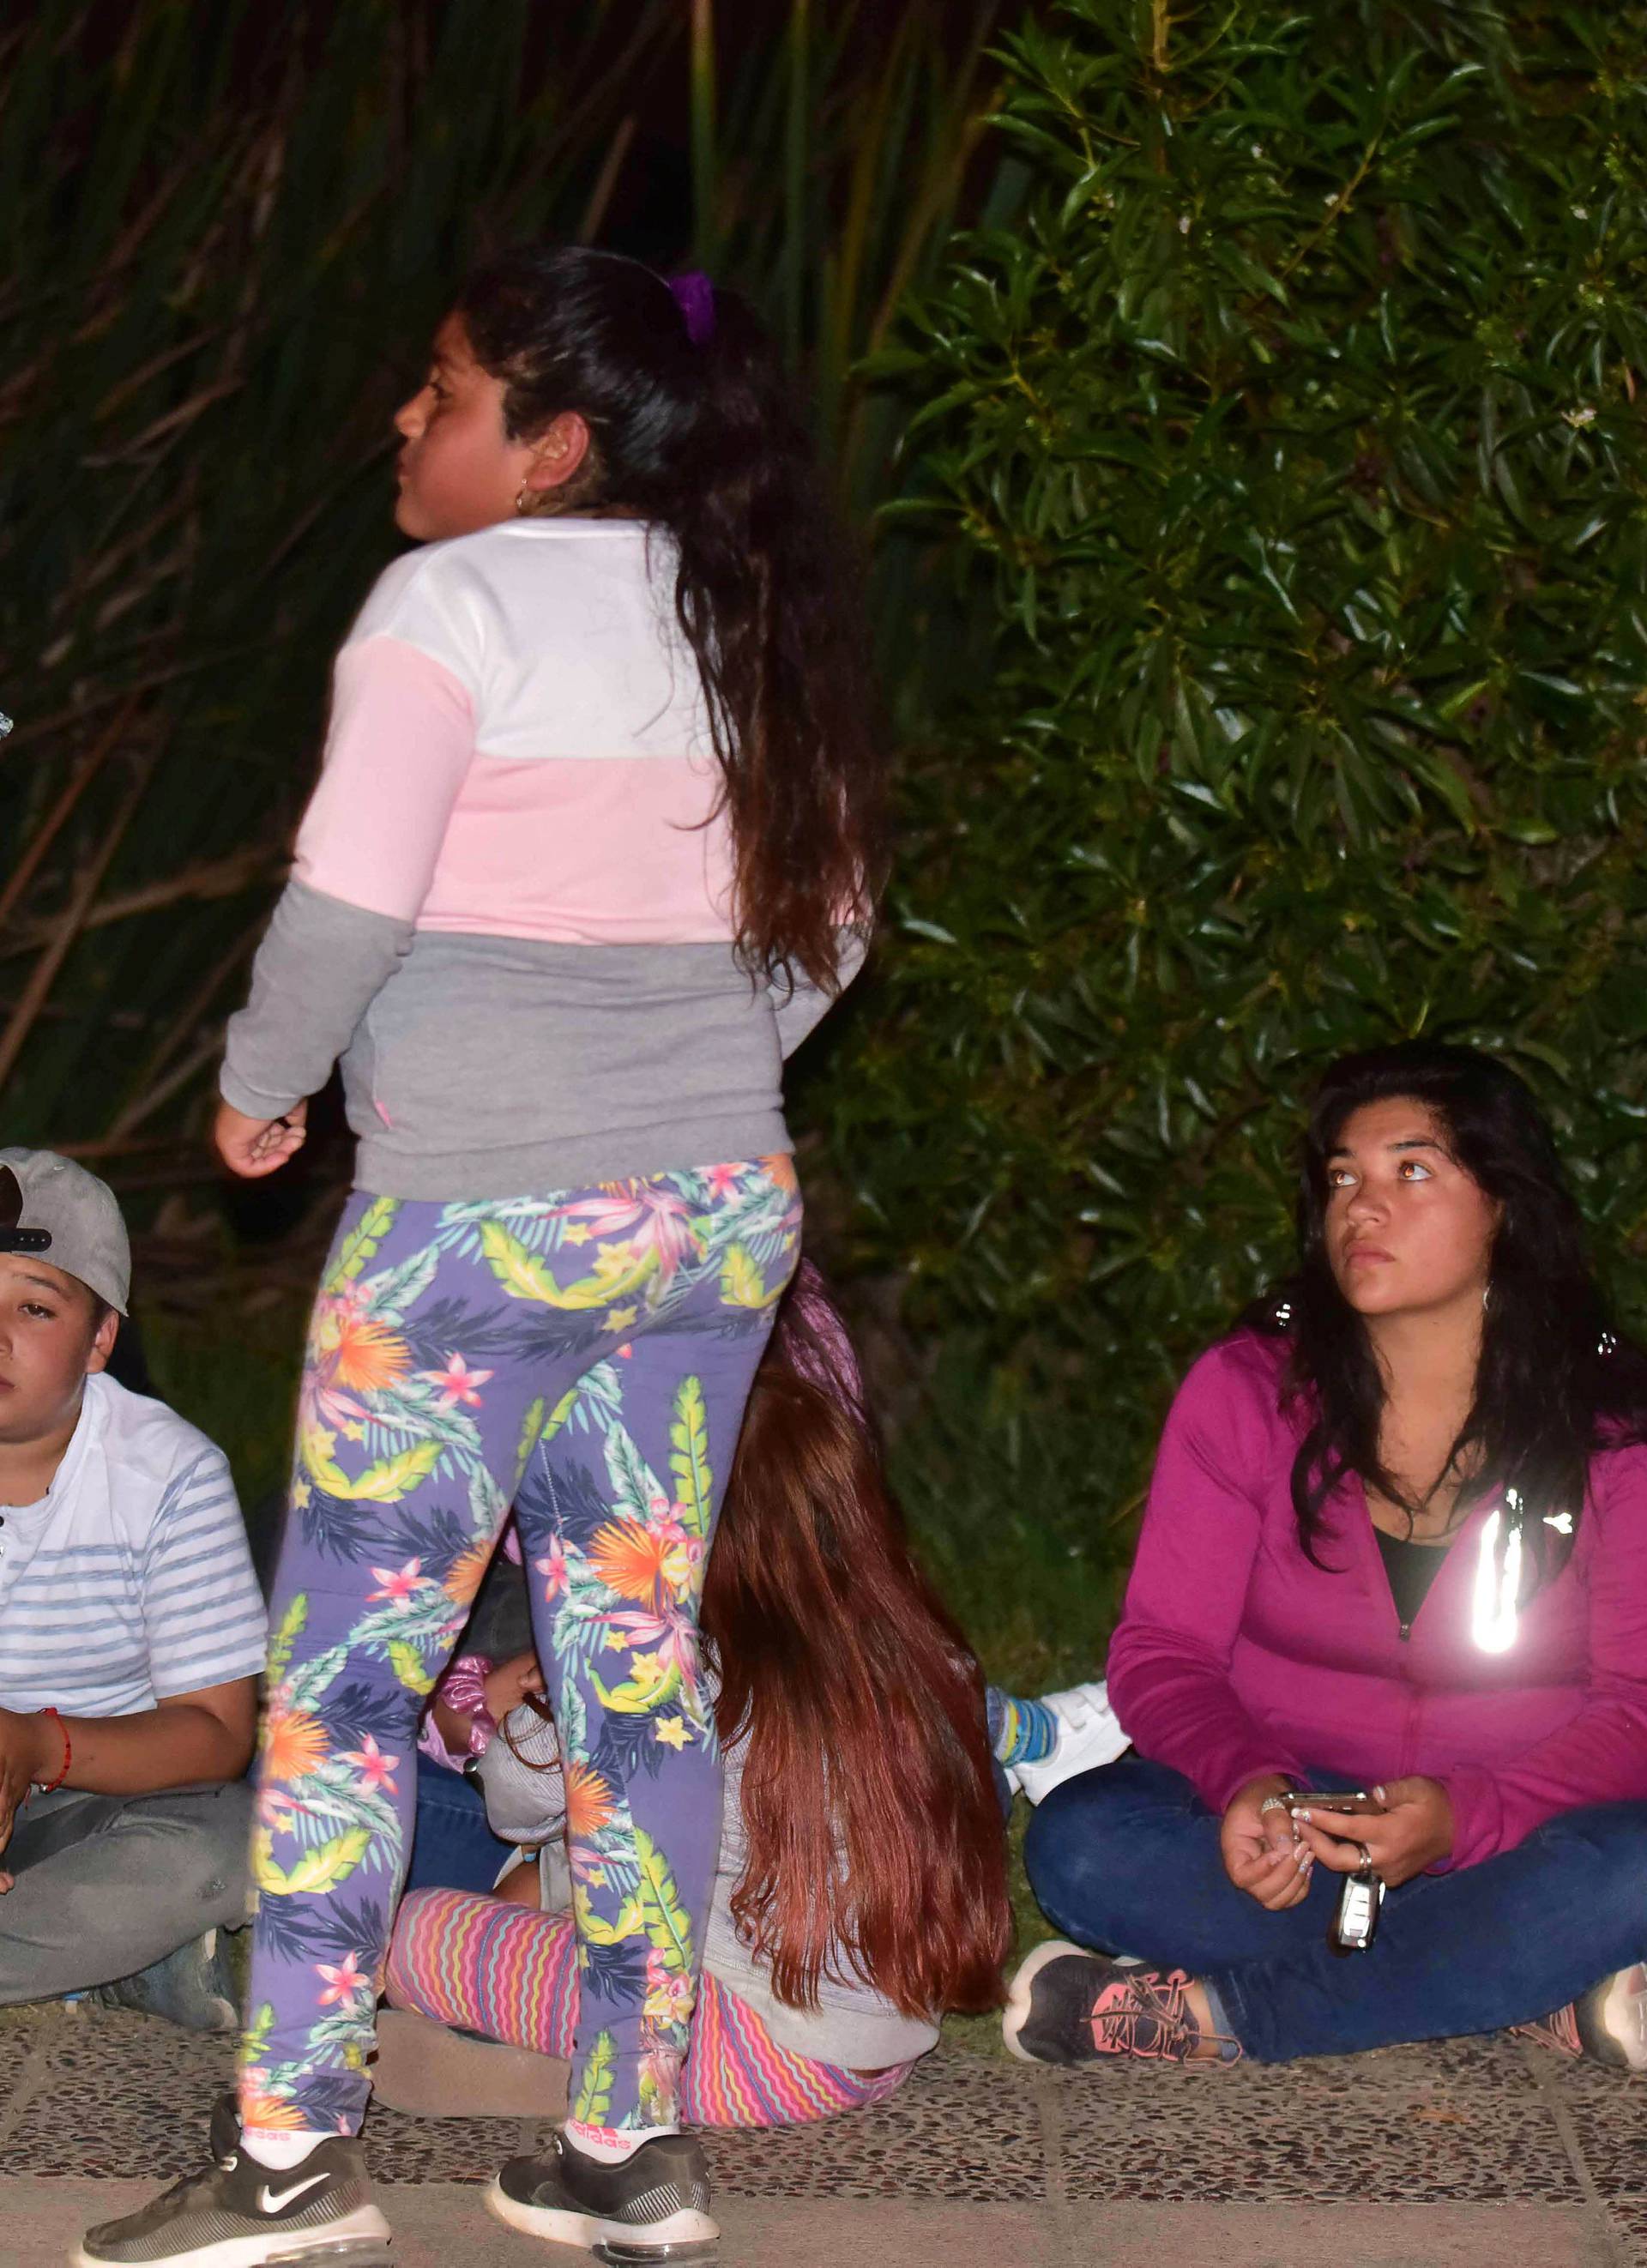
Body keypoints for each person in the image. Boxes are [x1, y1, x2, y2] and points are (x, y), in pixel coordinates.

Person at [81, 246, 883, 2268]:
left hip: (468, 1221)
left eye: (445, 391)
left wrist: (266, 1086)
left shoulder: (449, 599)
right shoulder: (745, 612)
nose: (405, 422)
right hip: (704, 1209)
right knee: (634, 1672)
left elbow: (346, 902)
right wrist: (686, 1068)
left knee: (350, 1688)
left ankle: (285, 2156)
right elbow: (840, 920)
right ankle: (626, 2150)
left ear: (556, 445)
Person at [1006, 1042, 1647, 2075]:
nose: (1363, 1205)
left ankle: (1212, 2016)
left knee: (1636, 1870)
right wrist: (1247, 1781)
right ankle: (1518, 1979)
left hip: (1517, 1820)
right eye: (1343, 1175)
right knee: (1081, 1843)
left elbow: (1637, 1705)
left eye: (1413, 1170)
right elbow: (1164, 1651)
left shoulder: (1609, 1428)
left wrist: (1468, 1817)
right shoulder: (1251, 1390)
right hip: (1301, 1828)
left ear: (1507, 1207)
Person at [374, 1260, 1013, 2132]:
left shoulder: (664, 1662)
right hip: (879, 2049)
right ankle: (570, 2066)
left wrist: (525, 1701)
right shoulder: (927, 1655)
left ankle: (581, 2079)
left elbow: (520, 1803)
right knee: (586, 1867)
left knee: (411, 1929)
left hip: (729, 2043)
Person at [0, 1149, 262, 2028]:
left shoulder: (168, 1473)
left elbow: (219, 1731)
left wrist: (37, 1747)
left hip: (90, 1809)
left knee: (238, 1839)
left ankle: (85, 1958)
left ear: (102, 1336)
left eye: (35, 1306)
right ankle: (116, 1971)